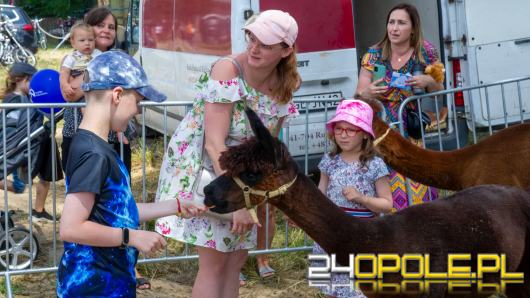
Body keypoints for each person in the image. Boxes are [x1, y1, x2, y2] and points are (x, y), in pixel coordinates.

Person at [154, 10, 300, 298]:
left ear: (286, 50)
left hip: (246, 178)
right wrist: (241, 204)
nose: (254, 48)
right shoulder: (228, 70)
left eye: (266, 44)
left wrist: (265, 193)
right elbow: (213, 143)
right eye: (252, 38)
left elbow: (268, 146)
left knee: (235, 261)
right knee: (215, 263)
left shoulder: (288, 84)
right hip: (210, 172)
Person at [56, 51, 206, 297]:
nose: (138, 110)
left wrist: (176, 205)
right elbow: (71, 228)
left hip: (111, 280)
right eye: (137, 101)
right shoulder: (94, 154)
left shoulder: (99, 146)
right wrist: (131, 236)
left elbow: (116, 209)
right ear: (117, 95)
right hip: (93, 286)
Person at [354, 3, 444, 210]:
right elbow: (360, 91)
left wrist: (428, 81)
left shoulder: (426, 52)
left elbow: (440, 87)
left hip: (409, 124)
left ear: (413, 28)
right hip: (381, 126)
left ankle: (422, 219)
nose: (394, 28)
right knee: (384, 173)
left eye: (401, 23)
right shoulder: (375, 53)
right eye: (391, 22)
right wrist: (365, 94)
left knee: (415, 173)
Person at [314, 99, 392, 298]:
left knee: (359, 290)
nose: (343, 135)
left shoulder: (375, 165)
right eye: (338, 129)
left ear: (365, 134)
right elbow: (319, 196)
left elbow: (387, 205)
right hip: (332, 234)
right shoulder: (328, 161)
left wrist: (361, 198)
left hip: (363, 236)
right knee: (332, 288)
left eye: (350, 130)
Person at [0, 62, 64, 221]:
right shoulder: (12, 101)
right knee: (19, 186)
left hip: (40, 140)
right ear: (21, 80)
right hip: (20, 146)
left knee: (47, 176)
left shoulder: (33, 97)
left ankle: (38, 210)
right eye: (32, 82)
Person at [59, 22, 102, 100]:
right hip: (77, 82)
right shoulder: (72, 57)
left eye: (91, 40)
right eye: (82, 40)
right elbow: (64, 72)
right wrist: (65, 84)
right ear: (73, 43)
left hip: (96, 89)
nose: (87, 43)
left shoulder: (98, 54)